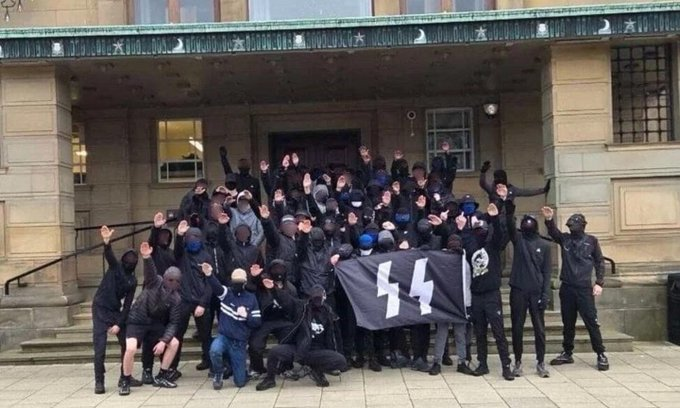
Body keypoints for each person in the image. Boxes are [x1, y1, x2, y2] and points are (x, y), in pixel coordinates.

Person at [542, 206, 609, 371]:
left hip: (584, 288)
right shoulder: (565, 239)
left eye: (574, 226)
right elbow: (554, 233)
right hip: (567, 287)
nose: (572, 229)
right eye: (570, 226)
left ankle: (600, 353)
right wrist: (549, 220)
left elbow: (599, 261)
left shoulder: (591, 241)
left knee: (591, 321)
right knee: (568, 322)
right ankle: (567, 352)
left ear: (583, 226)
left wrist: (599, 282)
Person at [459, 199, 515, 381]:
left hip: (492, 294)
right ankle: (482, 363)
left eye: (482, 230)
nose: (480, 233)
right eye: (477, 231)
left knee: (498, 332)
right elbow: (464, 237)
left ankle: (506, 365)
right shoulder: (471, 247)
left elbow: (499, 234)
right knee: (480, 332)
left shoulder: (493, 246)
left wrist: (495, 218)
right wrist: (462, 227)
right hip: (477, 296)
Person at [255, 284, 347, 391]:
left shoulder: (328, 313)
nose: (317, 301)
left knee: (341, 361)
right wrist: (273, 289)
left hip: (318, 351)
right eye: (315, 297)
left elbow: (334, 337)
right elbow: (286, 300)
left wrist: (334, 352)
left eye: (320, 297)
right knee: (274, 352)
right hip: (299, 349)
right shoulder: (301, 308)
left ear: (324, 297)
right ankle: (270, 379)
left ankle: (317, 370)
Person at [119, 242, 182, 395]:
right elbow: (150, 272)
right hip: (137, 319)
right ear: (165, 278)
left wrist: (163, 341)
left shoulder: (176, 299)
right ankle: (125, 379)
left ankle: (162, 375)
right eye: (170, 280)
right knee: (131, 347)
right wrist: (147, 257)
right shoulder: (155, 282)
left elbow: (173, 323)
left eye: (176, 281)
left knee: (174, 342)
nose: (172, 283)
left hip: (154, 323)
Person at [505, 195, 552, 378]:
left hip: (536, 291)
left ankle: (541, 361)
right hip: (518, 290)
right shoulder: (519, 240)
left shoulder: (544, 245)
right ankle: (517, 361)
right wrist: (509, 205)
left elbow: (547, 272)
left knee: (539, 329)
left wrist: (545, 294)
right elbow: (510, 225)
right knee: (517, 327)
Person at [92, 226, 139, 394]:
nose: (130, 261)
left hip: (114, 310)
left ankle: (125, 376)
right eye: (128, 258)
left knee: (126, 344)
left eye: (133, 259)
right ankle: (99, 381)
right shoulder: (115, 267)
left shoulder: (132, 281)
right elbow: (109, 256)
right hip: (99, 308)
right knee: (100, 347)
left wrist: (119, 324)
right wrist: (106, 242)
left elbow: (127, 305)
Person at [202, 264, 262, 389]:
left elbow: (257, 322)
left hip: (239, 342)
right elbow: (217, 287)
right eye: (235, 282)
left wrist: (247, 315)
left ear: (245, 282)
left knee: (240, 383)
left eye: (240, 282)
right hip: (224, 336)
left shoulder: (251, 298)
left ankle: (241, 371)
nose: (237, 284)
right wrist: (209, 275)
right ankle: (218, 373)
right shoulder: (227, 293)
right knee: (214, 350)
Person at [169, 221, 214, 378]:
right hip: (183, 301)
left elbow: (210, 282)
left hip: (201, 302)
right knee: (178, 334)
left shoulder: (206, 256)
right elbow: (177, 250)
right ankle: (172, 367)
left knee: (205, 335)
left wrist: (203, 303)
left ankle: (211, 364)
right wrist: (179, 235)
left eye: (196, 237)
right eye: (190, 237)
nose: (193, 240)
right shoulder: (182, 255)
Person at [248, 260, 298, 377]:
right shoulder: (263, 283)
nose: (278, 272)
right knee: (255, 344)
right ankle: (257, 368)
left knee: (290, 337)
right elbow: (252, 286)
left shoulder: (291, 288)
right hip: (265, 320)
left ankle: (285, 367)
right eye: (275, 269)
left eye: (281, 269)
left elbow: (294, 306)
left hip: (283, 319)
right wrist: (254, 277)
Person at [479, 161, 550, 204]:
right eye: (497, 178)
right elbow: (483, 184)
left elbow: (526, 192)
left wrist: (543, 190)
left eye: (501, 178)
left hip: (508, 219)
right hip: (495, 219)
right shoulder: (492, 189)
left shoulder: (511, 189)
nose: (499, 180)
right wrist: (483, 172)